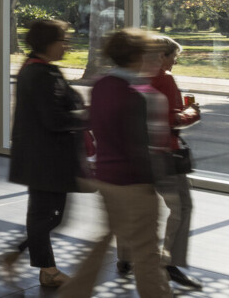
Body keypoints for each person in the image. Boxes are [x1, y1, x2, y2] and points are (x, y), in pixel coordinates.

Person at [59, 30, 173, 298]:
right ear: (137, 56)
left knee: (107, 236)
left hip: (106, 178)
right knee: (146, 253)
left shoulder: (101, 85)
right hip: (136, 183)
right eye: (149, 53)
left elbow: (92, 122)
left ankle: (73, 292)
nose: (154, 58)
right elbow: (154, 146)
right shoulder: (146, 95)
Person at [0, 19, 87, 290]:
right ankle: (43, 268)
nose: (66, 45)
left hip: (43, 157)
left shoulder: (40, 70)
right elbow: (54, 119)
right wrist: (86, 115)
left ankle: (28, 260)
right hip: (45, 158)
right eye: (63, 40)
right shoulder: (40, 74)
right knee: (48, 216)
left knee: (47, 215)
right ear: (48, 43)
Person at [117, 36, 202, 289]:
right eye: (174, 57)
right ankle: (170, 263)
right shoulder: (164, 79)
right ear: (162, 56)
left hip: (131, 156)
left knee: (134, 208)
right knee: (182, 206)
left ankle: (125, 258)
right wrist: (192, 113)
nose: (174, 63)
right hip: (163, 155)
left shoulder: (127, 77)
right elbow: (172, 120)